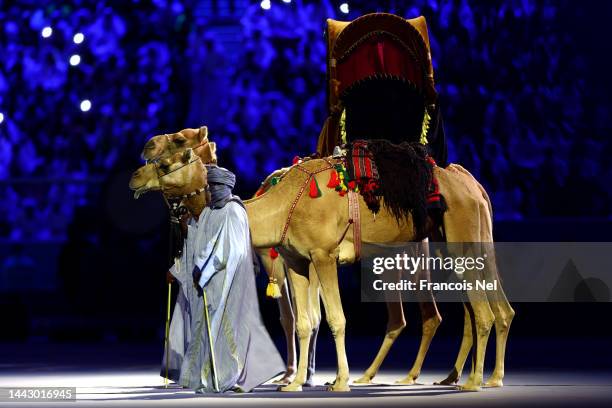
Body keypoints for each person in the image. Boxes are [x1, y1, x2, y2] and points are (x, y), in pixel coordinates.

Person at [163, 165, 284, 393]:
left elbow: (231, 250)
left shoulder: (234, 211)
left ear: (224, 187)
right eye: (208, 187)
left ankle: (227, 377)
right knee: (204, 328)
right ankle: (203, 378)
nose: (209, 192)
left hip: (228, 281)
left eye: (213, 187)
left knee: (228, 330)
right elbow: (197, 243)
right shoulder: (209, 212)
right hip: (207, 282)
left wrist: (205, 269)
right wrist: (179, 267)